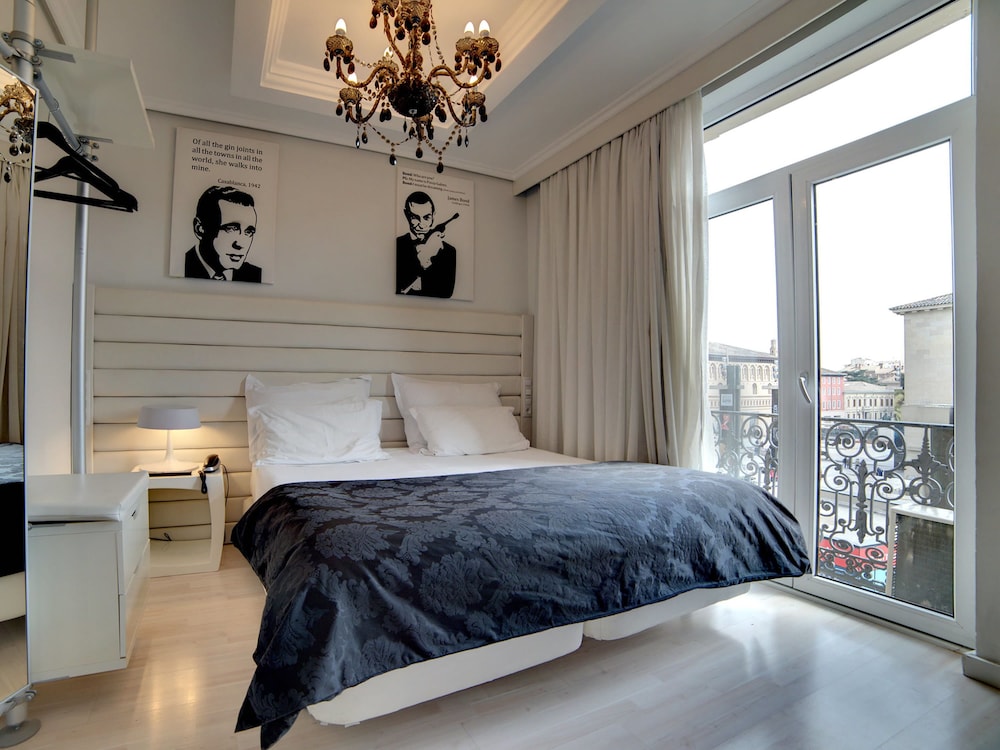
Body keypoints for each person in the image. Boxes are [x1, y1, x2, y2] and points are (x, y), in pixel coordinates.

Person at [184, 185, 262, 282]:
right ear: (200, 229)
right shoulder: (182, 266)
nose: (240, 244)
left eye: (249, 232)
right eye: (231, 229)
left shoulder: (256, 275)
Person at [396, 190, 457, 298]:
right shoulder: (398, 245)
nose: (421, 224)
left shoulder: (449, 251)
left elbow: (446, 293)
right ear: (406, 215)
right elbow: (398, 289)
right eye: (415, 217)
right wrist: (423, 258)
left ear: (433, 216)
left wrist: (427, 261)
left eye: (426, 217)